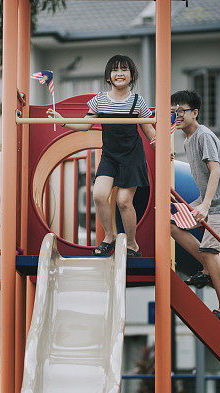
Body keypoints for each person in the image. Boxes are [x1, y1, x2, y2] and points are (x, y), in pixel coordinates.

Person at [48, 54, 156, 257]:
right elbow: (85, 124)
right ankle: (110, 237)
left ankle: (132, 244)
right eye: (115, 70)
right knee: (98, 195)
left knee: (124, 201)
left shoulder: (136, 101)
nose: (119, 73)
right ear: (108, 77)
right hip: (110, 156)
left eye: (124, 69)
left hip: (132, 157)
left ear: (131, 76)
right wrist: (62, 120)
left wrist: (164, 147)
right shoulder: (100, 100)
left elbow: (150, 131)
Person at [170, 90, 220, 323]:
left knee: (211, 251)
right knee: (171, 224)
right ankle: (207, 267)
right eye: (173, 111)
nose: (177, 115)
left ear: (195, 113)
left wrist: (205, 204)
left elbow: (216, 170)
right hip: (210, 202)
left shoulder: (203, 135)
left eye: (181, 111)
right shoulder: (188, 138)